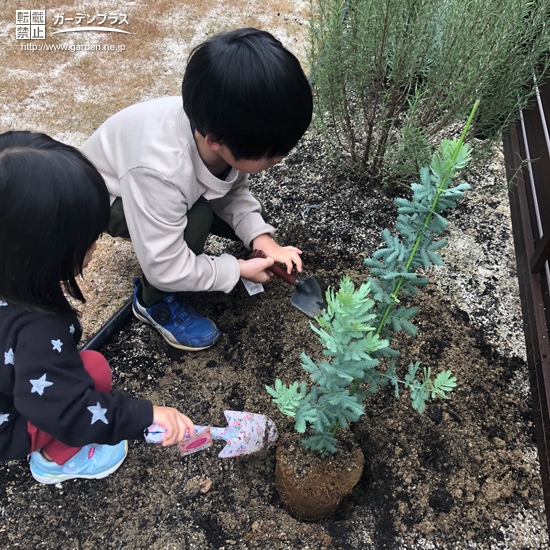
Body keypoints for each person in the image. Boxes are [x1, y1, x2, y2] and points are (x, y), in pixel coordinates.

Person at [81, 28, 313, 352]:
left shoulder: (221, 122)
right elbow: (164, 267)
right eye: (271, 155)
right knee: (198, 218)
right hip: (105, 196)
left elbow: (232, 191)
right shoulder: (162, 170)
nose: (280, 159)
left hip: (156, 189)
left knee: (228, 217)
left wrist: (262, 240)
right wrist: (237, 270)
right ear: (215, 142)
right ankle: (152, 304)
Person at [0, 131, 194, 484]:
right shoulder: (37, 330)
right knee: (94, 370)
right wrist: (146, 416)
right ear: (41, 253)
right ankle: (56, 460)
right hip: (11, 425)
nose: (95, 247)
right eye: (87, 240)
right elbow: (70, 409)